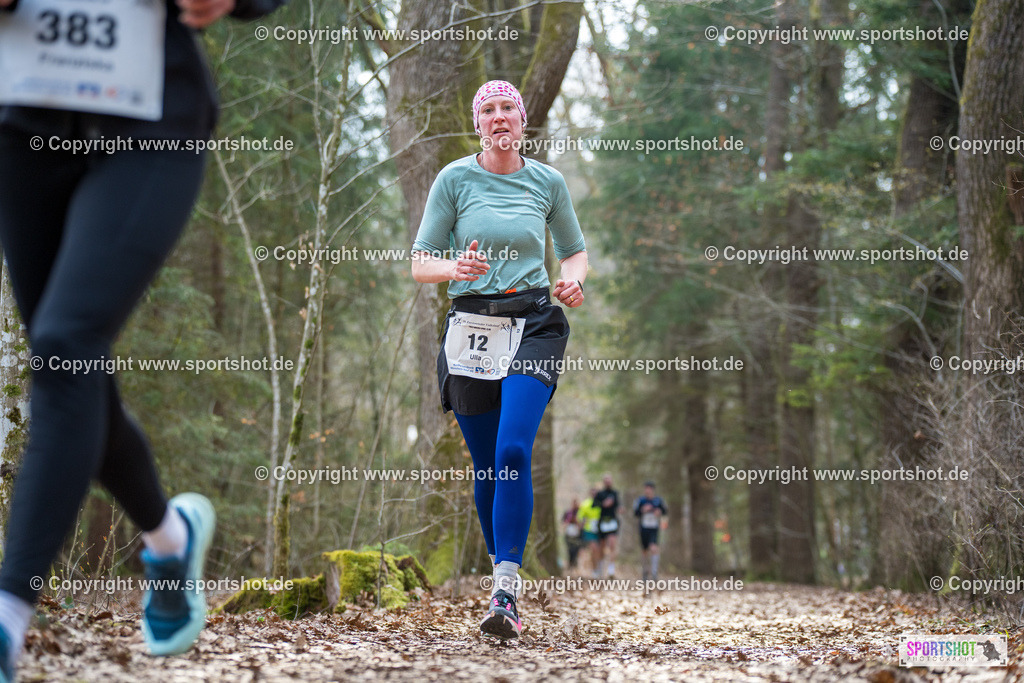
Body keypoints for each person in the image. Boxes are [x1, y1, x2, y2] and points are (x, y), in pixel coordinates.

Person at [0, 0, 284, 679]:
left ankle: (9, 616)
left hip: (151, 118)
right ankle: (168, 537)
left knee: (65, 342)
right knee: (72, 366)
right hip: (24, 114)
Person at [410, 79, 588, 640]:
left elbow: (574, 250)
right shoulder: (455, 179)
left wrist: (572, 280)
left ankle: (506, 591)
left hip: (534, 322)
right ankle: (499, 578)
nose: (498, 117)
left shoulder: (548, 182)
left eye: (507, 107)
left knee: (514, 447)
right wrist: (452, 270)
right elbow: (420, 261)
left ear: (523, 118)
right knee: (486, 463)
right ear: (478, 124)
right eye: (487, 110)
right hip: (472, 328)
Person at [634, 482, 667, 584]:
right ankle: (645, 571)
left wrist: (659, 512)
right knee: (644, 550)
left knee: (653, 548)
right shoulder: (641, 500)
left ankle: (654, 572)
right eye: (646, 489)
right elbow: (635, 513)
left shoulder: (658, 500)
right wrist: (642, 510)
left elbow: (665, 511)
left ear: (653, 490)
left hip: (654, 528)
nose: (647, 490)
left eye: (649, 489)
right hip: (643, 528)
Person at [592, 474, 620, 578]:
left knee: (613, 544)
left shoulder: (615, 493)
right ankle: (600, 569)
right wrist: (603, 504)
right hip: (602, 523)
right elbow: (594, 504)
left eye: (609, 480)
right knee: (602, 547)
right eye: (606, 480)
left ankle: (611, 570)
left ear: (612, 481)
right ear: (604, 482)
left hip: (612, 522)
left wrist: (619, 508)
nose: (608, 482)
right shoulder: (600, 494)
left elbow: (618, 505)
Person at [578, 486, 602, 577]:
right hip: (589, 530)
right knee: (593, 549)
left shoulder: (601, 503)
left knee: (599, 550)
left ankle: (599, 567)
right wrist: (582, 523)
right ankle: (595, 570)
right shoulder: (585, 504)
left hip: (600, 530)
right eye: (592, 492)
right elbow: (580, 517)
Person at [561, 498, 582, 572]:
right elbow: (563, 523)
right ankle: (570, 566)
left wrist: (578, 522)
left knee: (576, 550)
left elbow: (582, 524)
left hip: (577, 535)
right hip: (569, 534)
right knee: (570, 550)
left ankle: (574, 565)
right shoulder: (567, 513)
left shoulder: (580, 513)